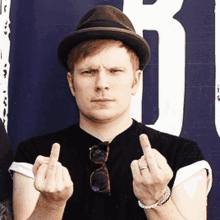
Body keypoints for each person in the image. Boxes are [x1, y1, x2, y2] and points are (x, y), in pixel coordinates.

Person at [9, 5, 212, 220]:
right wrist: (51, 204)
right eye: (89, 72)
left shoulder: (182, 155)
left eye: (115, 71)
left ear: (135, 81)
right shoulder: (35, 155)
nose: (102, 84)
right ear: (71, 83)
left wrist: (157, 199)